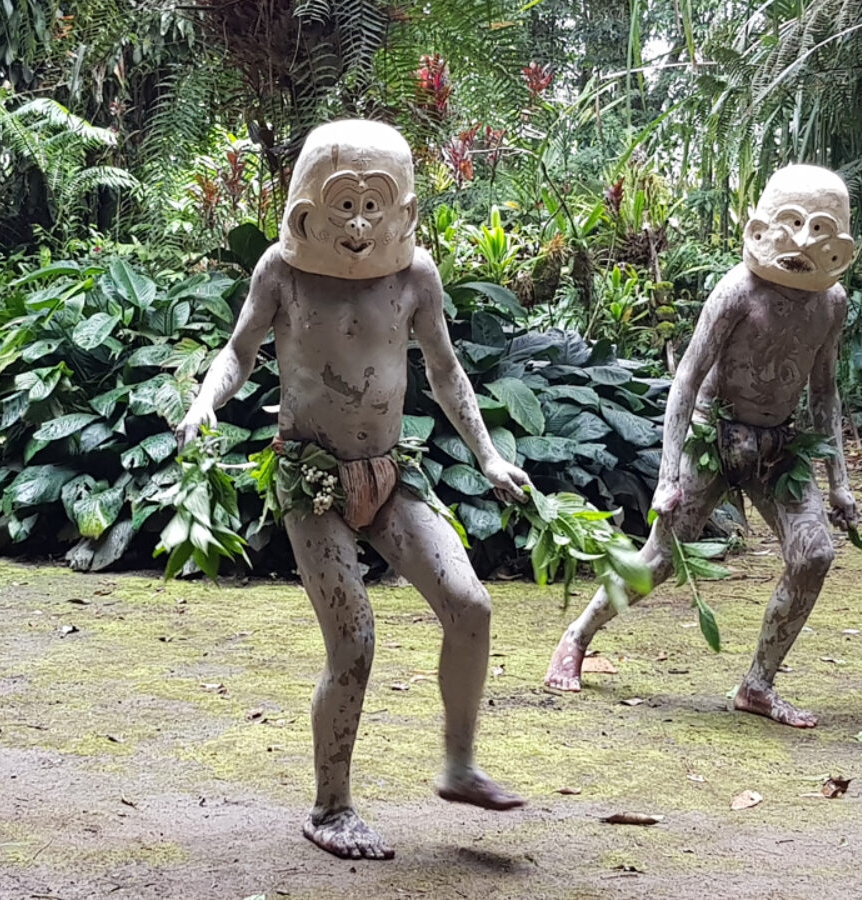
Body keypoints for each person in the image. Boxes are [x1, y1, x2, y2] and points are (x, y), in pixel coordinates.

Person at [178, 119, 527, 860]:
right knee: (355, 642)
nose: (361, 224)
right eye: (344, 207)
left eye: (375, 205)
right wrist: (206, 402)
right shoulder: (281, 270)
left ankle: (460, 765)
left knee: (470, 605)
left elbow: (445, 371)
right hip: (311, 481)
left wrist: (491, 457)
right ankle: (329, 808)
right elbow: (239, 351)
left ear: (401, 209)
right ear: (309, 206)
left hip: (389, 471)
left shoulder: (414, 278)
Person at [543, 164, 861, 729]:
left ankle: (758, 684)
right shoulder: (737, 290)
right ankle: (577, 635)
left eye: (819, 230)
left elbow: (825, 389)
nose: (804, 243)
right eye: (793, 225)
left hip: (779, 446)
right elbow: (687, 380)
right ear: (766, 225)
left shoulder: (830, 303)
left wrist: (839, 482)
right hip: (712, 435)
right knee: (659, 559)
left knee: (814, 555)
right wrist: (668, 476)